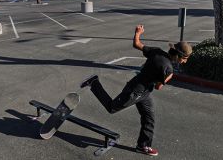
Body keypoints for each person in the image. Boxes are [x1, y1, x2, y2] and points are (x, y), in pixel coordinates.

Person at [80, 24, 192, 157]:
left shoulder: (157, 51)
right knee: (111, 108)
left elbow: (137, 44)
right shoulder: (168, 69)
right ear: (178, 56)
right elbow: (158, 87)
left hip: (144, 92)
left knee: (149, 118)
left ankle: (143, 146)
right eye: (185, 59)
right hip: (135, 92)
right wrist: (169, 78)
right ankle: (94, 83)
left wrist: (138, 32)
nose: (185, 61)